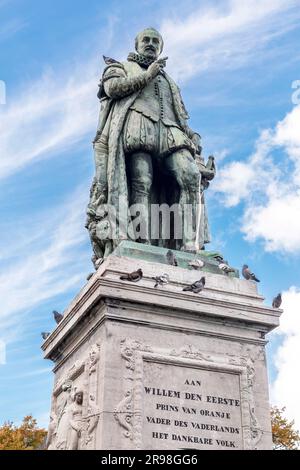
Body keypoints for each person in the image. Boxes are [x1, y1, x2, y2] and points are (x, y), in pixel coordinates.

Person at [87, 27, 215, 260]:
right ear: (136, 44)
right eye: (146, 39)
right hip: (138, 124)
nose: (151, 43)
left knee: (190, 177)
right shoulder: (119, 67)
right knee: (141, 182)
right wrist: (148, 75)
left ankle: (190, 244)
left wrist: (192, 135)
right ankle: (142, 241)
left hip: (170, 130)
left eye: (156, 41)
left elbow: (180, 114)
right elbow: (112, 89)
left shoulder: (169, 80)